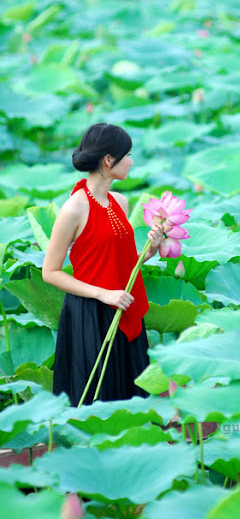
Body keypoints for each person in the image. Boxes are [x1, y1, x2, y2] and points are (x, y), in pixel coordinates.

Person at [42, 123, 164, 406]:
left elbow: (122, 263)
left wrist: (151, 250)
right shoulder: (73, 208)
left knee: (132, 399)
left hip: (123, 306)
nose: (132, 161)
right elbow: (50, 272)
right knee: (99, 401)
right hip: (90, 314)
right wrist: (102, 293)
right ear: (109, 160)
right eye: (128, 155)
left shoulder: (119, 202)